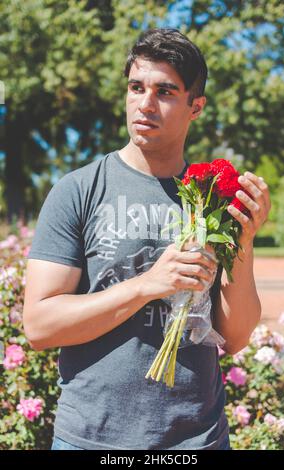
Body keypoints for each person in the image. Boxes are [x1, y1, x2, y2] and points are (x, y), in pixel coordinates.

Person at [23, 28, 271, 451]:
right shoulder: (79, 190)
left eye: (165, 91)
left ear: (196, 106)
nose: (145, 103)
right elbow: (40, 326)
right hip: (91, 439)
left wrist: (243, 242)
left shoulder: (211, 196)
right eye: (136, 87)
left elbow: (234, 337)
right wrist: (147, 285)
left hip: (197, 440)